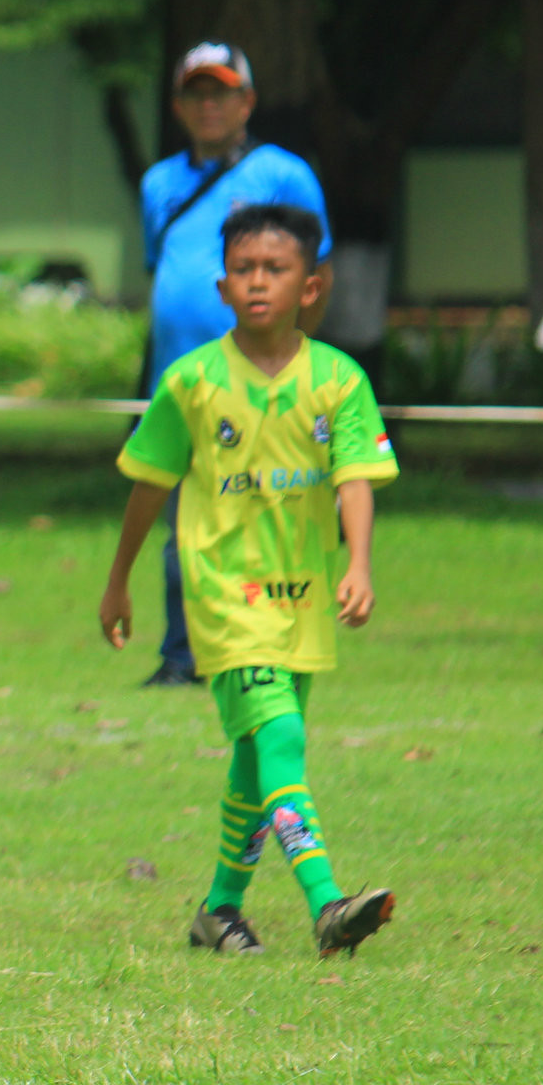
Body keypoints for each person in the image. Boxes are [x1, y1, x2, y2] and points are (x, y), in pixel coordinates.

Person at [100, 202, 396, 958]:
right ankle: (327, 903)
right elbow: (147, 484)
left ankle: (219, 909)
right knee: (282, 734)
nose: (257, 281)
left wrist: (357, 562)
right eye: (242, 269)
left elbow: (354, 478)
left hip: (301, 595)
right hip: (223, 595)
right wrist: (119, 580)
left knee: (252, 759)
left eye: (275, 268)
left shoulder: (338, 380)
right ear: (221, 286)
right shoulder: (191, 381)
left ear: (311, 286)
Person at [137, 41, 334, 687]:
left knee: (259, 514)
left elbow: (317, 271)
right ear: (177, 105)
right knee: (186, 523)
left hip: (257, 381)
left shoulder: (282, 174)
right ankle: (181, 653)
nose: (208, 105)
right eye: (195, 93)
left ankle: (261, 647)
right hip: (182, 381)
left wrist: (290, 357)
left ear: (246, 101)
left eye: (220, 92)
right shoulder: (159, 183)